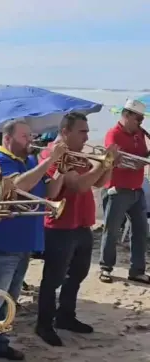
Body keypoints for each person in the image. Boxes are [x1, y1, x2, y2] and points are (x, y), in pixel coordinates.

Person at [0, 120, 67, 361]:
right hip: (3, 244)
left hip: (25, 244)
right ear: (8, 139)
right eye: (25, 136)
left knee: (10, 302)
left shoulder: (30, 161)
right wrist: (49, 160)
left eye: (30, 135)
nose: (30, 140)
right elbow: (14, 188)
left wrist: (61, 167)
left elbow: (51, 193)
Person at [35, 112, 117, 346]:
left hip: (82, 223)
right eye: (82, 131)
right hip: (60, 226)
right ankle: (44, 324)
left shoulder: (79, 155)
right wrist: (102, 163)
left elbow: (100, 183)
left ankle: (66, 316)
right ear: (65, 132)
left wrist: (108, 165)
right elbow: (80, 185)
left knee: (77, 274)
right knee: (53, 279)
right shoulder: (52, 154)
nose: (87, 136)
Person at [99, 99, 150, 284]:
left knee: (140, 231)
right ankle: (105, 268)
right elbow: (113, 159)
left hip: (137, 190)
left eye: (142, 119)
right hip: (117, 189)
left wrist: (143, 159)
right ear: (126, 115)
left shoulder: (139, 134)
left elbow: (142, 156)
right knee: (111, 231)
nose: (141, 123)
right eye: (138, 119)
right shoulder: (113, 134)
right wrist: (135, 162)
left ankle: (137, 270)